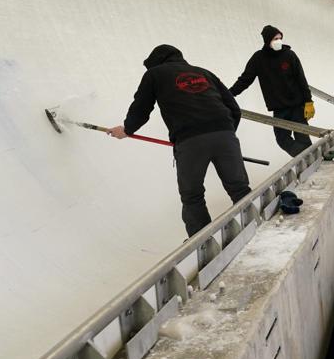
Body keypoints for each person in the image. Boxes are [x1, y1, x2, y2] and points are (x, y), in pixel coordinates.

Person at [108, 44, 250, 236]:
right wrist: (224, 134)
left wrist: (126, 129)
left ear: (155, 63)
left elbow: (141, 108)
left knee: (192, 196)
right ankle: (254, 227)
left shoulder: (154, 74)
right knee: (239, 188)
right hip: (225, 135)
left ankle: (203, 244)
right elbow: (234, 109)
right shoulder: (204, 73)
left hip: (190, 141)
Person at [229, 25, 314, 156]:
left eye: (280, 38)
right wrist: (229, 94)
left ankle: (310, 159)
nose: (279, 41)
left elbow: (301, 79)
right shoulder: (258, 59)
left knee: (302, 138)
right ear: (268, 40)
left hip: (297, 106)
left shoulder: (289, 55)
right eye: (275, 38)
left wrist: (309, 101)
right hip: (279, 109)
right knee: (282, 140)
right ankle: (310, 157)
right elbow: (245, 80)